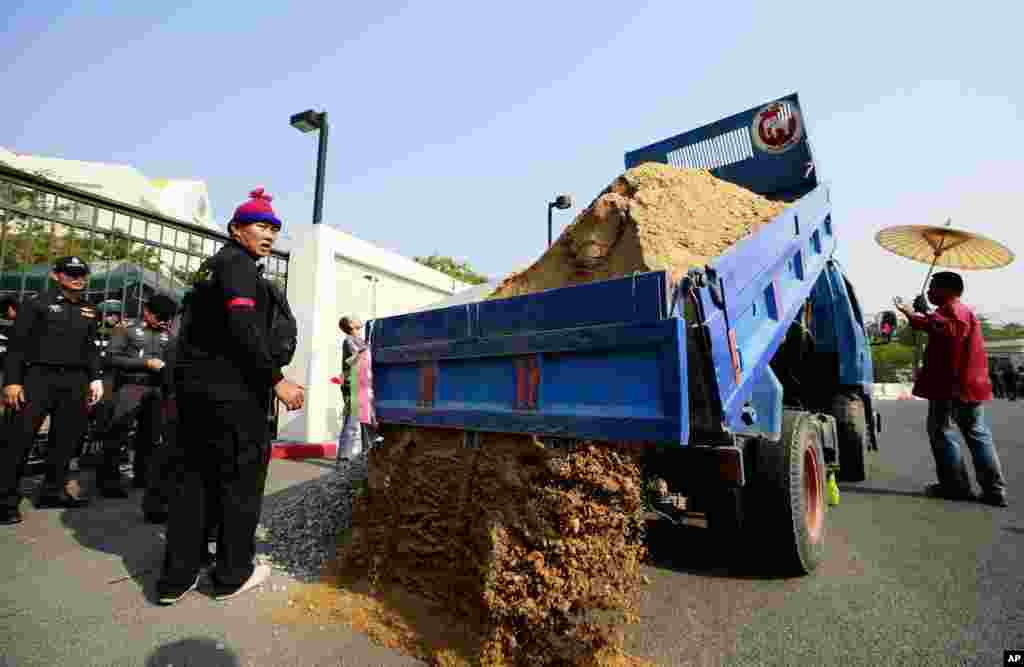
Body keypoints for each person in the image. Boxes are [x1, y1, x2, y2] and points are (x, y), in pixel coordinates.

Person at [157, 188, 304, 604]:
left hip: (195, 397)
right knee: (239, 486)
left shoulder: (210, 268)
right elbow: (243, 326)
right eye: (260, 225)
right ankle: (231, 575)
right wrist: (276, 379)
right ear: (236, 228)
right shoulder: (238, 266)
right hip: (235, 397)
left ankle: (176, 578)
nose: (270, 235)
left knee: (192, 485)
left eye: (275, 228)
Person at [0, 257, 104, 524]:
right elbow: (17, 346)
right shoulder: (36, 303)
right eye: (71, 273)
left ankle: (52, 491)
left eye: (81, 273)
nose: (77, 278)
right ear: (56, 275)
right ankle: (5, 500)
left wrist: (96, 378)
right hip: (37, 378)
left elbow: (91, 348)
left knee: (65, 440)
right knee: (18, 439)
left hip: (75, 382)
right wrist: (12, 381)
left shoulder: (90, 309)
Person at [893, 272, 1008, 507]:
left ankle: (955, 485)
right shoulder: (950, 310)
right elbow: (935, 327)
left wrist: (926, 311)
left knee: (942, 432)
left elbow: (951, 330)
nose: (928, 291)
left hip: (952, 386)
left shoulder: (955, 310)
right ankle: (993, 489)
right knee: (976, 434)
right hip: (964, 385)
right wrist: (910, 313)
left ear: (948, 289)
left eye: (933, 287)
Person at [94, 294, 179, 500]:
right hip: (130, 387)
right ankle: (109, 481)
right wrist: (145, 363)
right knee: (118, 434)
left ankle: (143, 477)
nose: (163, 321)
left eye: (166, 318)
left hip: (157, 390)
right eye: (159, 316)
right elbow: (111, 358)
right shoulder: (126, 329)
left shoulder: (169, 334)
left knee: (149, 437)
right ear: (147, 311)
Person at [336, 316, 380, 467]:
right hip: (354, 385)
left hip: (363, 384)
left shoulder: (360, 340)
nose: (358, 319)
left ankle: (368, 454)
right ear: (350, 325)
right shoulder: (349, 341)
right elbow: (358, 358)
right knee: (352, 423)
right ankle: (344, 459)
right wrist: (368, 346)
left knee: (367, 421)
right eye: (354, 319)